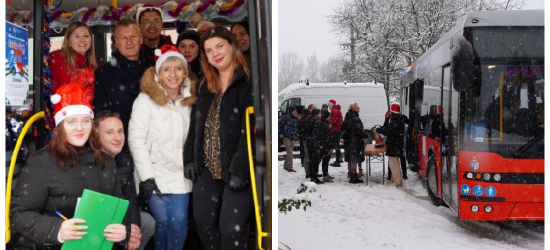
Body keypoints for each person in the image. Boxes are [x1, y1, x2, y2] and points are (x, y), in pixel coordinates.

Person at [10, 83, 127, 250]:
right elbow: (19, 214)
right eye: (71, 122)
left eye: (85, 121)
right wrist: (56, 229)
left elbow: (118, 211)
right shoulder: (41, 162)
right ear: (60, 127)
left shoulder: (107, 163)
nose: (80, 128)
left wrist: (122, 232)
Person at [183, 25, 253, 250]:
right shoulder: (206, 84)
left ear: (232, 45)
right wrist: (190, 159)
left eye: (220, 46)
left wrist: (240, 169)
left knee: (230, 228)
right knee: (203, 222)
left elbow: (249, 130)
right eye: (209, 50)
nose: (216, 54)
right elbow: (196, 126)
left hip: (235, 170)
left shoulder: (248, 81)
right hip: (208, 169)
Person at [128, 44, 196, 250]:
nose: (173, 74)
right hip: (155, 173)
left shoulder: (192, 99)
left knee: (179, 220)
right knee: (163, 221)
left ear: (185, 72)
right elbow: (136, 139)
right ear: (158, 73)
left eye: (178, 68)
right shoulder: (145, 100)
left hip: (180, 174)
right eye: (167, 69)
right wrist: (147, 177)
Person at [94, 111, 156, 250]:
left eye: (120, 131)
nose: (117, 137)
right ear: (96, 136)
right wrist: (125, 227)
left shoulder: (124, 160)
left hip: (119, 218)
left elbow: (130, 196)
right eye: (109, 132)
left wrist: (133, 226)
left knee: (147, 222)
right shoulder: (89, 161)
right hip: (97, 219)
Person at [94, 18, 154, 150]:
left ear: (141, 39)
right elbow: (100, 115)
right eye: (123, 38)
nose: (129, 42)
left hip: (153, 143)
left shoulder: (156, 69)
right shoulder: (103, 73)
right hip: (119, 146)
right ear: (116, 41)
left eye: (133, 36)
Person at [50, 21, 97, 94]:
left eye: (86, 36)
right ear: (69, 41)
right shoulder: (57, 58)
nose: (82, 40)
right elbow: (48, 90)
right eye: (77, 36)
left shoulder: (91, 64)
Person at [375, 104, 405, 187]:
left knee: (394, 164)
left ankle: (398, 182)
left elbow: (389, 132)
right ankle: (393, 180)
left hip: (394, 146)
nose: (390, 114)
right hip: (396, 145)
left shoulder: (396, 122)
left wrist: (379, 129)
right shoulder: (398, 120)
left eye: (391, 112)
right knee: (394, 164)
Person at [342, 102, 368, 184]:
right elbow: (359, 130)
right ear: (354, 109)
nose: (359, 109)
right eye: (358, 108)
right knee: (354, 158)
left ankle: (351, 174)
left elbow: (343, 127)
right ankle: (353, 176)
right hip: (354, 141)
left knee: (351, 158)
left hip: (349, 141)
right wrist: (364, 135)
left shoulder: (347, 116)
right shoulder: (355, 118)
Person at [384, 104, 410, 180]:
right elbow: (385, 127)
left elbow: (410, 123)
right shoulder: (388, 118)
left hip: (399, 141)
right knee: (393, 159)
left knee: (400, 158)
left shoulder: (402, 118)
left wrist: (407, 131)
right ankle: (390, 175)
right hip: (394, 141)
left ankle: (404, 174)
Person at [306, 109, 325, 184]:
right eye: (320, 113)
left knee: (312, 160)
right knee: (315, 161)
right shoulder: (317, 122)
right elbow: (318, 134)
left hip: (310, 143)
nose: (321, 115)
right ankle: (314, 177)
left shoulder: (309, 119)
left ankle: (312, 175)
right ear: (316, 114)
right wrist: (319, 144)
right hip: (315, 144)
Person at [279, 105, 299, 172]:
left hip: (292, 137)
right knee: (290, 152)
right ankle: (290, 167)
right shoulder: (285, 118)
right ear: (291, 111)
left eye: (295, 110)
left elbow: (296, 127)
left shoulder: (296, 119)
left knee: (289, 152)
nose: (295, 112)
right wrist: (280, 133)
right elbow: (278, 125)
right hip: (286, 137)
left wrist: (296, 134)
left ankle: (285, 166)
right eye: (294, 111)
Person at [299, 104, 316, 178]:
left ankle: (310, 172)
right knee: (307, 155)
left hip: (307, 138)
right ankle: (308, 173)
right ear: (310, 109)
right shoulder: (306, 117)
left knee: (309, 155)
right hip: (307, 139)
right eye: (314, 109)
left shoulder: (306, 117)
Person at [320, 111, 336, 182]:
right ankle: (325, 175)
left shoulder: (326, 124)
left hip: (328, 145)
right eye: (329, 116)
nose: (330, 117)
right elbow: (327, 137)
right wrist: (329, 147)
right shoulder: (324, 125)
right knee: (325, 160)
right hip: (327, 146)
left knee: (326, 161)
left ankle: (326, 174)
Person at [329, 100, 343, 167]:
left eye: (329, 105)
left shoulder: (334, 111)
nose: (329, 107)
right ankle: (339, 159)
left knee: (336, 145)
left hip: (336, 130)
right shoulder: (338, 110)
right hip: (339, 129)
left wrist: (329, 120)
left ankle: (338, 161)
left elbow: (333, 121)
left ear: (331, 105)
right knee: (337, 145)